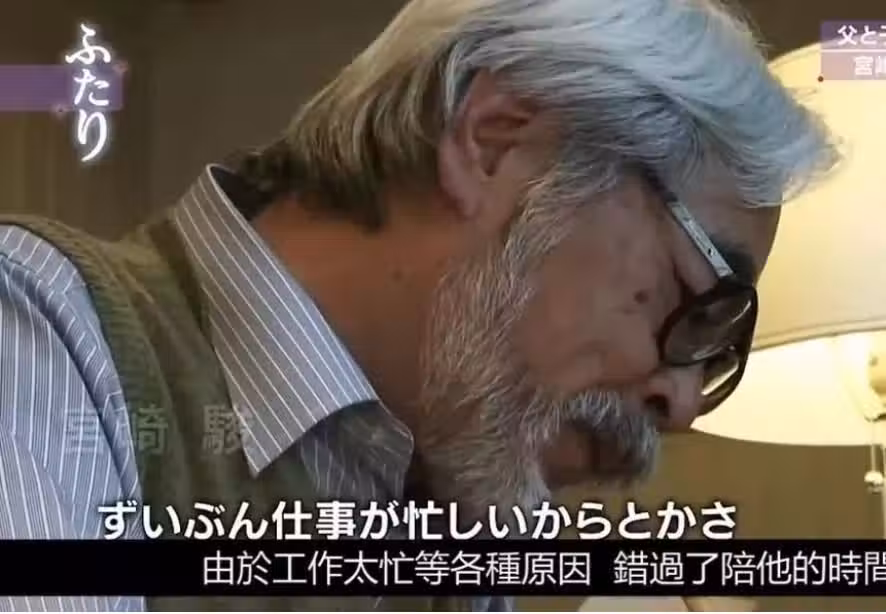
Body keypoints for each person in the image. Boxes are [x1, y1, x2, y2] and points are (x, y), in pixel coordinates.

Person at [0, 0, 837, 610]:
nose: (682, 401)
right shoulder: (44, 335)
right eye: (699, 302)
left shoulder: (452, 488)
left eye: (719, 349)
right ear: (496, 144)